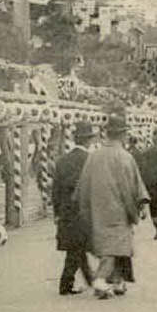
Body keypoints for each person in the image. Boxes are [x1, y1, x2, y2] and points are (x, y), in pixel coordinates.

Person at [74, 115, 150, 299]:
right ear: (123, 135)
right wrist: (142, 206)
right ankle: (100, 281)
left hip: (97, 210)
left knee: (109, 246)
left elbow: (81, 188)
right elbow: (135, 185)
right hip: (119, 210)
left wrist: (86, 209)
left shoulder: (93, 157)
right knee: (114, 247)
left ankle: (117, 281)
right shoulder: (125, 157)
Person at [52, 121, 96, 295]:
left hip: (67, 211)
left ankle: (90, 279)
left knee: (77, 246)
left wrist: (57, 212)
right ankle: (66, 284)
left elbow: (55, 189)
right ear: (88, 141)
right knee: (79, 248)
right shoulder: (91, 160)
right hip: (85, 210)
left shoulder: (62, 161)